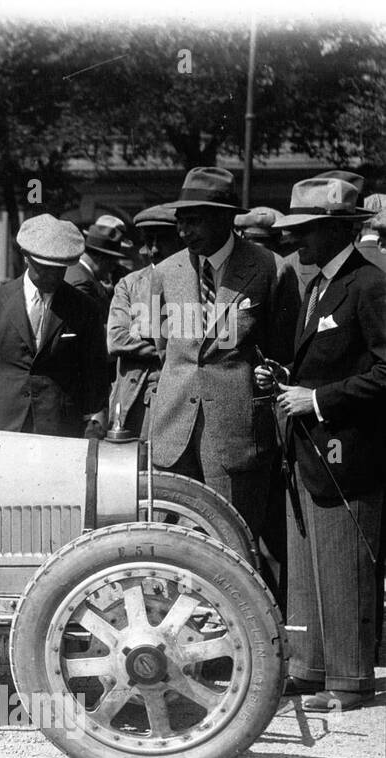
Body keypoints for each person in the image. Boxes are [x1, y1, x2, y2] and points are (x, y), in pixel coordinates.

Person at [257, 177, 385, 712]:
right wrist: (286, 379)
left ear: (336, 230)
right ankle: (311, 669)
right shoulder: (318, 286)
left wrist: (319, 399)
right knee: (309, 569)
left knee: (345, 565)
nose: (296, 242)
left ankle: (350, 679)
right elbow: (327, 360)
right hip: (311, 451)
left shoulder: (370, 286)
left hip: (347, 452)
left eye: (306, 231)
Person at [148, 166, 300, 541]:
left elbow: (283, 350)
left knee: (233, 541)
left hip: (236, 437)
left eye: (194, 221)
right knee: (168, 543)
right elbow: (160, 346)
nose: (184, 232)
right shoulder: (165, 273)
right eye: (180, 221)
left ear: (225, 218)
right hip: (172, 433)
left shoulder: (270, 269)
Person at [0, 214, 108, 438]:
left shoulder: (85, 308)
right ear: (26, 257)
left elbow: (95, 373)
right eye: (44, 267)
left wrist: (92, 423)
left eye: (60, 268)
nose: (53, 275)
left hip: (59, 428)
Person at [105, 204, 184, 439]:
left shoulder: (197, 282)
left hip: (178, 394)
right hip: (135, 396)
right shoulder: (129, 284)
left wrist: (143, 332)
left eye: (163, 240)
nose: (155, 249)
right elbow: (117, 339)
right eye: (149, 241)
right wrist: (171, 345)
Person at [65, 215, 132, 317]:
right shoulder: (82, 283)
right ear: (101, 258)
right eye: (112, 262)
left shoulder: (77, 272)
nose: (113, 268)